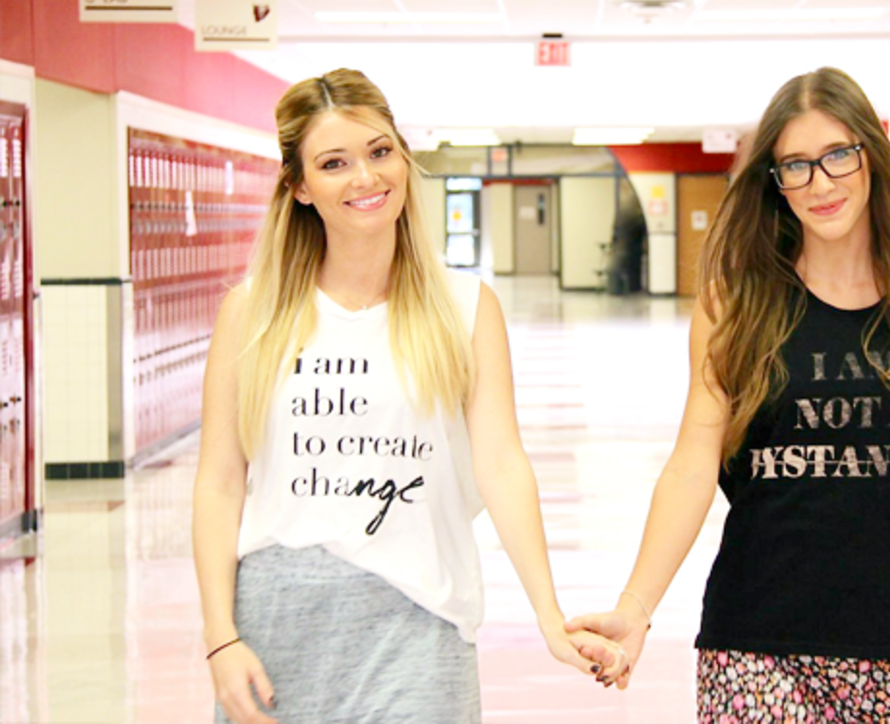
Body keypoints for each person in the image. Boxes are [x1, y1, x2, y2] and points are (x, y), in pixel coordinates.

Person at [567, 67, 890, 723]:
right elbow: (692, 463)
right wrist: (636, 606)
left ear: (871, 156)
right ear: (775, 181)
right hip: (755, 644)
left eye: (837, 156)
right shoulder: (735, 305)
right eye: (795, 166)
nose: (820, 184)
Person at [192, 68, 625, 724]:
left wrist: (547, 611)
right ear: (299, 187)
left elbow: (501, 463)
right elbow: (220, 482)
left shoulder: (465, 307)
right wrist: (220, 637)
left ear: (403, 155)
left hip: (421, 619)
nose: (365, 178)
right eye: (334, 163)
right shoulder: (250, 314)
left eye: (379, 151)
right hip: (279, 624)